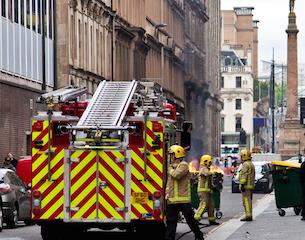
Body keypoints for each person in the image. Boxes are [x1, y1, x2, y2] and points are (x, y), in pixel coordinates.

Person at [165, 145, 204, 240]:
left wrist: (169, 169)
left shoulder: (184, 165)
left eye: (171, 155)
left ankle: (199, 236)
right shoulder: (173, 166)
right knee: (171, 222)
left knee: (190, 220)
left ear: (177, 155)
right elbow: (169, 183)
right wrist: (167, 193)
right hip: (172, 200)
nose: (170, 157)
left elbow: (176, 175)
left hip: (183, 200)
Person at [194, 155, 219, 225]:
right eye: (210, 162)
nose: (211, 163)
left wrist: (213, 187)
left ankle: (212, 220)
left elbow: (209, 181)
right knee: (204, 205)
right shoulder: (203, 169)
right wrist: (214, 173)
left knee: (211, 205)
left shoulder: (207, 169)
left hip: (208, 190)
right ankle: (196, 219)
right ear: (205, 162)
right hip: (203, 191)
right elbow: (206, 174)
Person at [239, 149, 255, 221]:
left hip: (246, 186)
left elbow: (244, 174)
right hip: (250, 185)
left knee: (246, 201)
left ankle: (248, 216)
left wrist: (242, 184)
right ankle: (249, 214)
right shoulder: (251, 164)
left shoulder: (245, 164)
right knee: (249, 200)